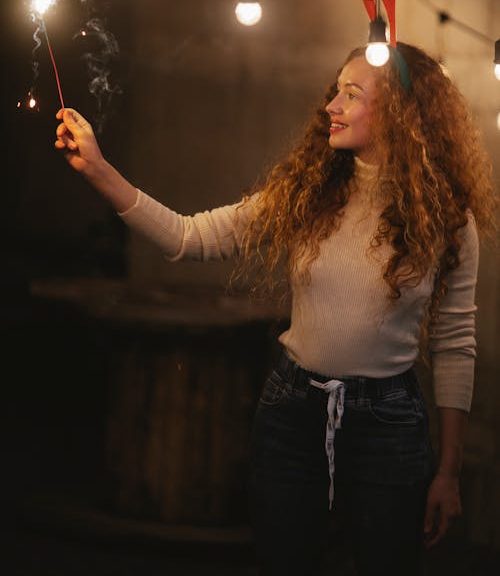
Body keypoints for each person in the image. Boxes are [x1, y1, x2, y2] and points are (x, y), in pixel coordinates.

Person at [55, 42, 496, 576]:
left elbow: (455, 342)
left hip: (388, 424)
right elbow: (186, 237)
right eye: (336, 90)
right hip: (293, 411)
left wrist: (447, 471)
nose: (331, 105)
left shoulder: (449, 218)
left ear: (402, 112)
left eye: (351, 95)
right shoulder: (309, 192)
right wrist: (98, 169)